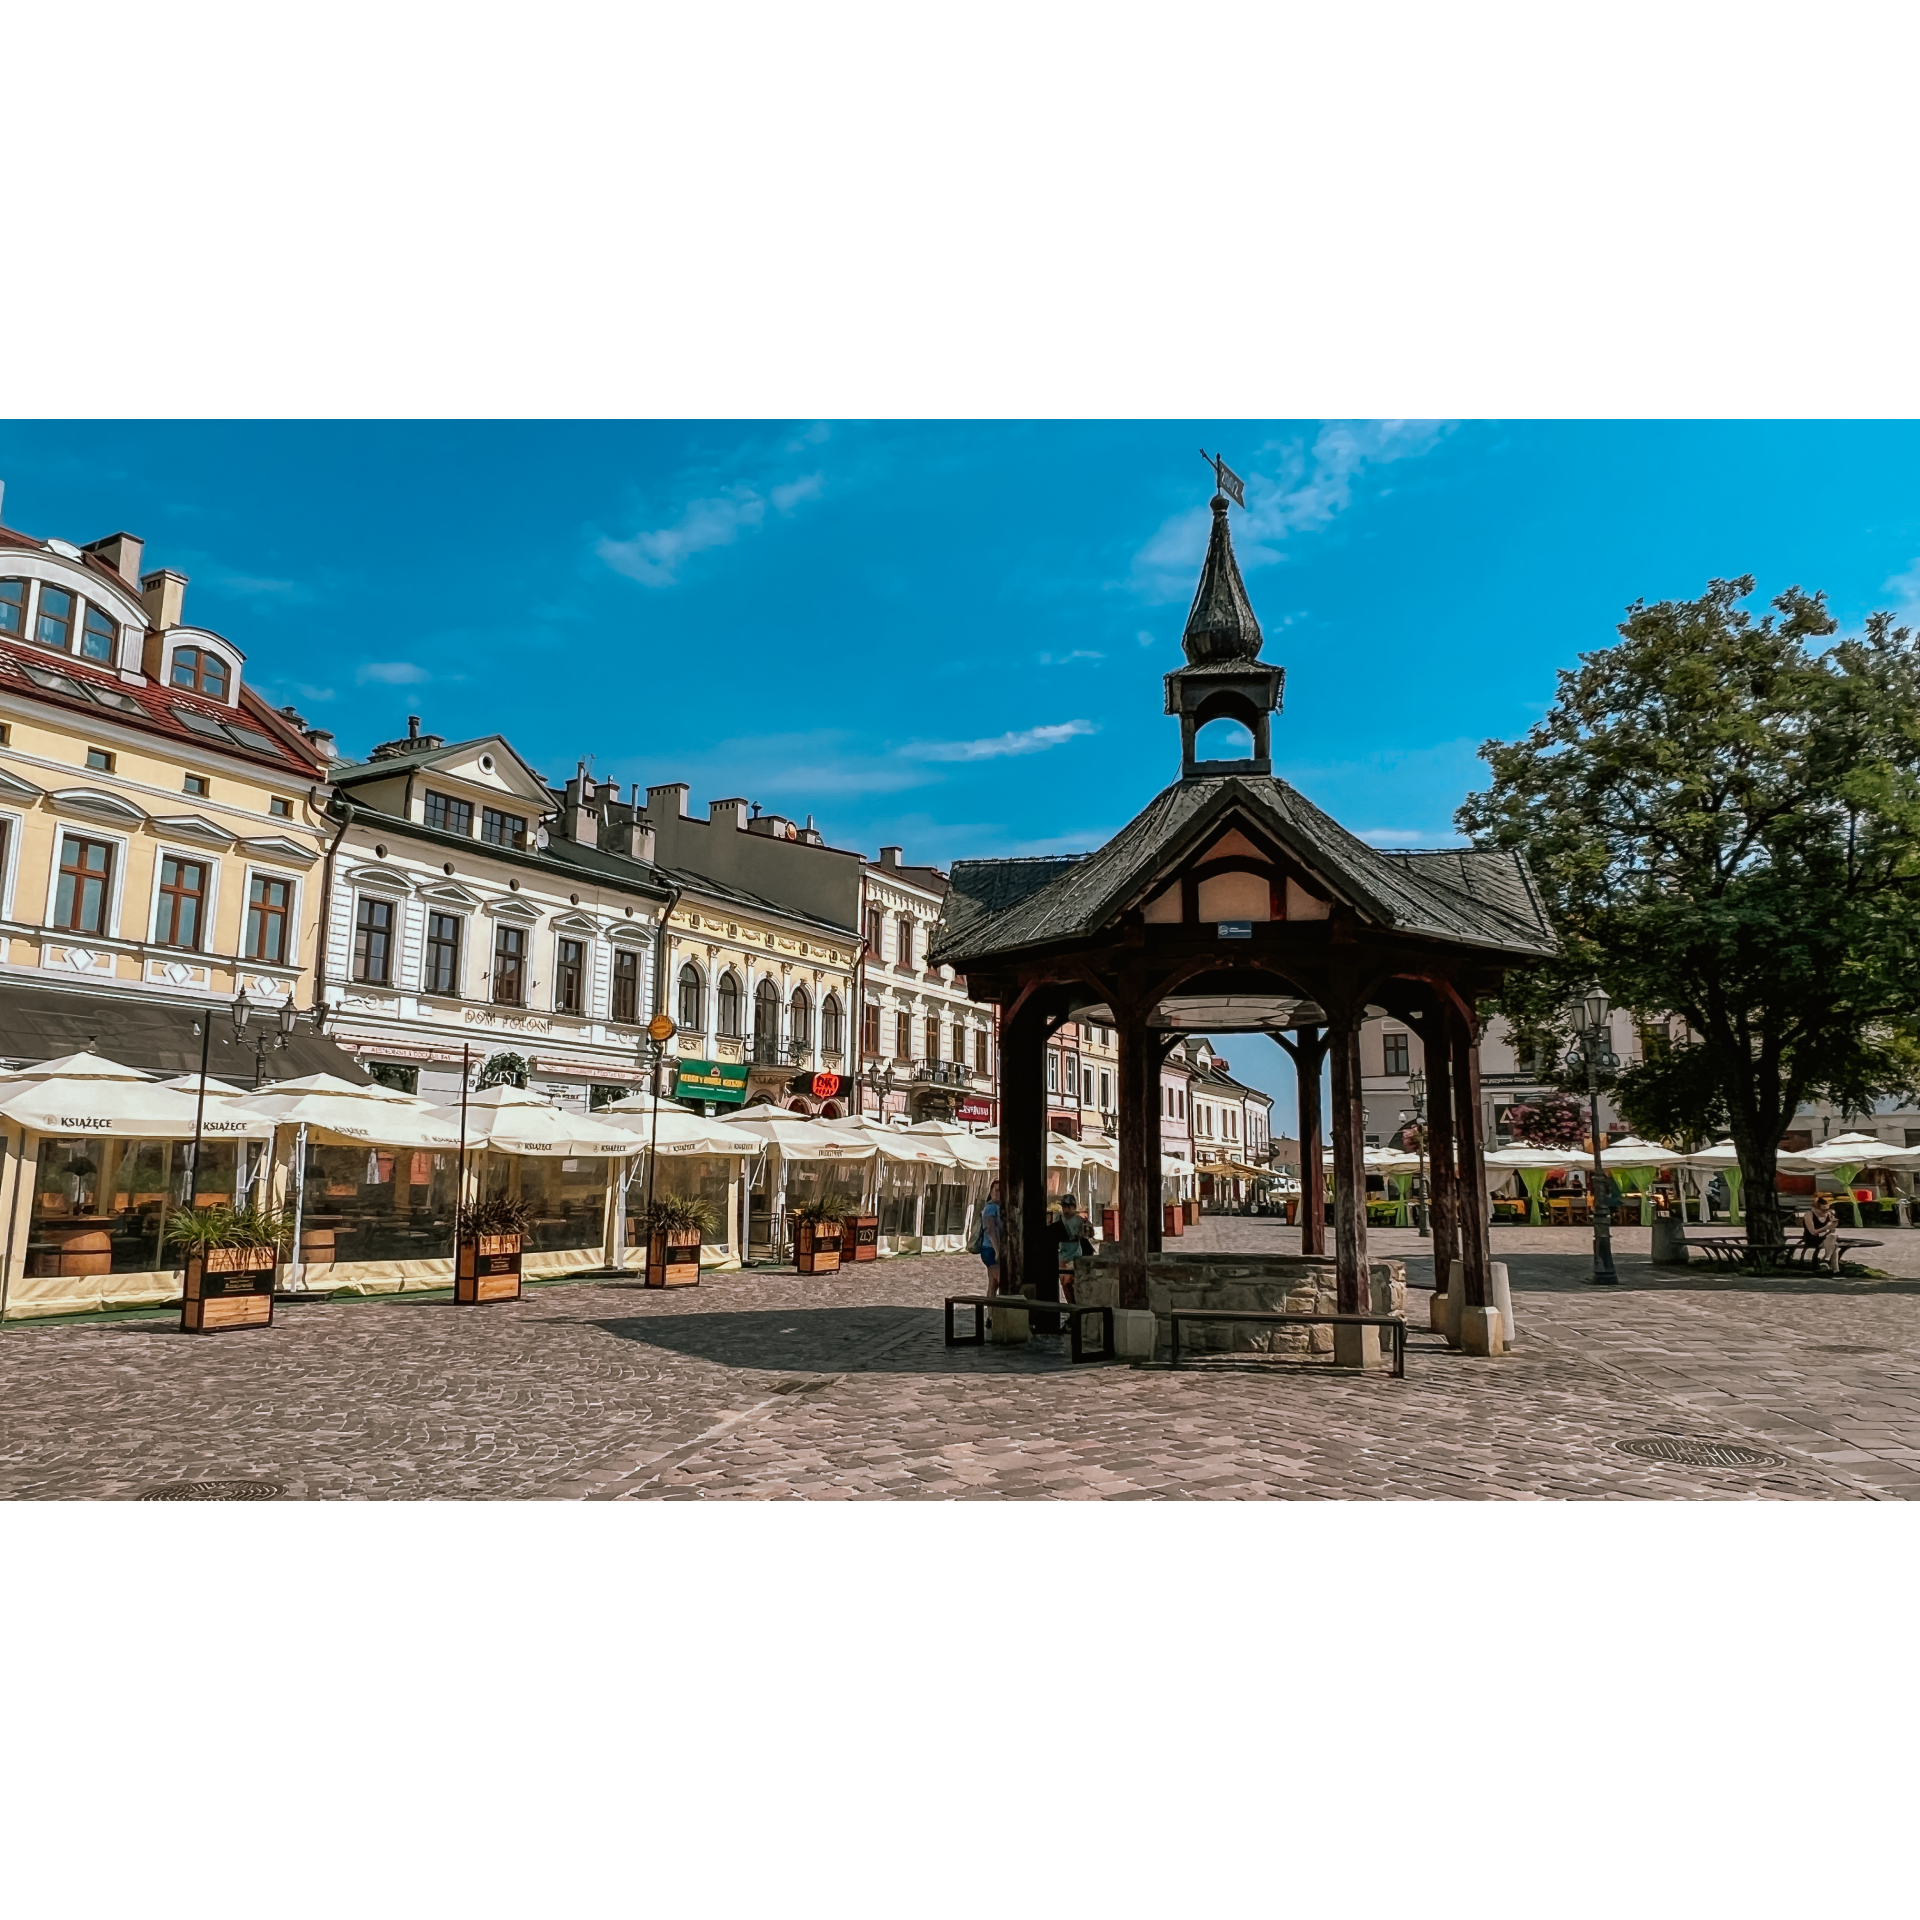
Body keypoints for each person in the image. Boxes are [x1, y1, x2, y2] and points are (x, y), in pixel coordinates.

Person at [1052, 1192, 1094, 1304]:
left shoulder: (1079, 1220)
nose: (1066, 1209)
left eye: (1069, 1206)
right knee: (1064, 1283)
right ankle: (1070, 1304)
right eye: (1064, 1206)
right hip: (1062, 1254)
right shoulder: (1058, 1219)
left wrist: (1084, 1231)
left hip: (1075, 1254)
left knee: (1072, 1281)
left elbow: (1087, 1234)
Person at [1802, 1192, 1842, 1274]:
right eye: (1823, 1209)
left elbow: (1830, 1232)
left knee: (1833, 1238)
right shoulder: (1809, 1215)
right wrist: (1826, 1227)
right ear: (1816, 1208)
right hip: (1812, 1239)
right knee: (1834, 1245)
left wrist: (1833, 1226)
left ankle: (1829, 1265)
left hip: (1825, 1238)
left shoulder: (1828, 1214)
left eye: (1827, 1209)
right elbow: (1813, 1232)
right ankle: (1832, 1267)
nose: (1825, 1212)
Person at [978, 1179, 1005, 1296]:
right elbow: (990, 1230)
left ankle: (991, 1311)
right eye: (996, 1190)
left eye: (1000, 1191)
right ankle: (993, 1310)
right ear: (991, 1191)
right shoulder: (990, 1207)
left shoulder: (999, 1207)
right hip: (989, 1248)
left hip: (991, 1247)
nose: (998, 1193)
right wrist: (997, 1250)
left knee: (993, 1284)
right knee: (999, 1280)